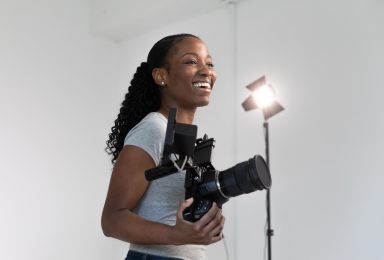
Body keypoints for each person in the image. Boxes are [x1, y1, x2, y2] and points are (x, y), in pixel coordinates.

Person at [102, 33, 225, 260]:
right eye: (191, 61)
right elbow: (112, 219)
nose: (206, 71)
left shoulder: (183, 137)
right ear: (161, 76)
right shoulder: (153, 130)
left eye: (209, 63)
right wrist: (175, 234)